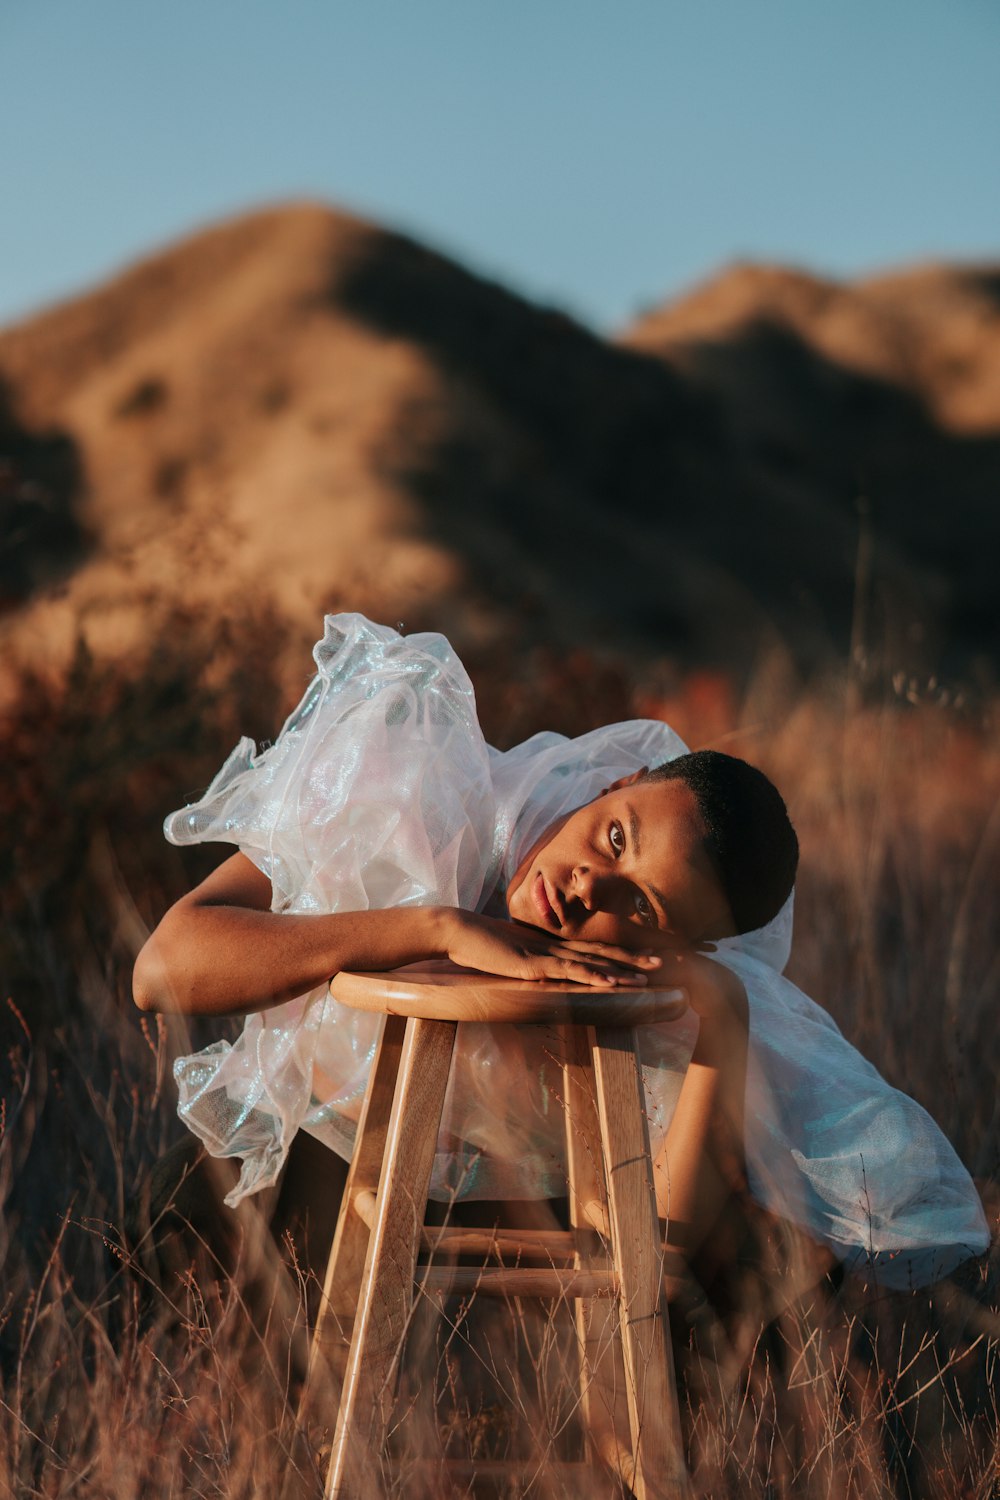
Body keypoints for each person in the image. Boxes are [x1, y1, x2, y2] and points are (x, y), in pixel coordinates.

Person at [134, 614, 989, 1292]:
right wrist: (431, 927)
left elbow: (658, 1258)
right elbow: (163, 967)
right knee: (174, 1242)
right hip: (291, 1195)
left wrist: (721, 1017)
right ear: (615, 786)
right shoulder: (422, 800)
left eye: (642, 907)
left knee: (752, 1288)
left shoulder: (633, 991)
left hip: (489, 1290)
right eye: (615, 836)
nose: (588, 886)